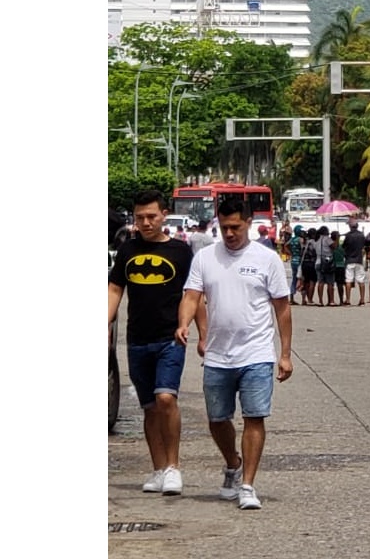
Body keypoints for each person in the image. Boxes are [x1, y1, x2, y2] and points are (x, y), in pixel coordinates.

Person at [175, 198, 292, 511]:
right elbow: (191, 296)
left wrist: (285, 354)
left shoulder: (267, 259)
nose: (229, 233)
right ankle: (232, 463)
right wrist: (184, 323)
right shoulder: (205, 258)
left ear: (249, 223)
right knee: (217, 420)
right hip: (218, 355)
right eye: (224, 227)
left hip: (256, 353)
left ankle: (247, 485)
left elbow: (282, 309)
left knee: (254, 417)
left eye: (235, 227)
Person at [108, 190, 196, 496]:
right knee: (148, 408)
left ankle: (173, 467)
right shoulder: (128, 251)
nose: (145, 223)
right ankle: (158, 469)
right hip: (136, 339)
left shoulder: (181, 252)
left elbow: (194, 295)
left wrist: (202, 335)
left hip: (170, 337)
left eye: (151, 216)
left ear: (164, 215)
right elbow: (115, 290)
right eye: (139, 217)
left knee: (165, 399)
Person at [342, 221, 368, 307]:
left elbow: (343, 246)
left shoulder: (348, 236)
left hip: (349, 260)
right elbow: (365, 246)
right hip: (359, 260)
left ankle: (348, 300)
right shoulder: (361, 235)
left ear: (350, 227)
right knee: (361, 280)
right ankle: (362, 299)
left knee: (348, 280)